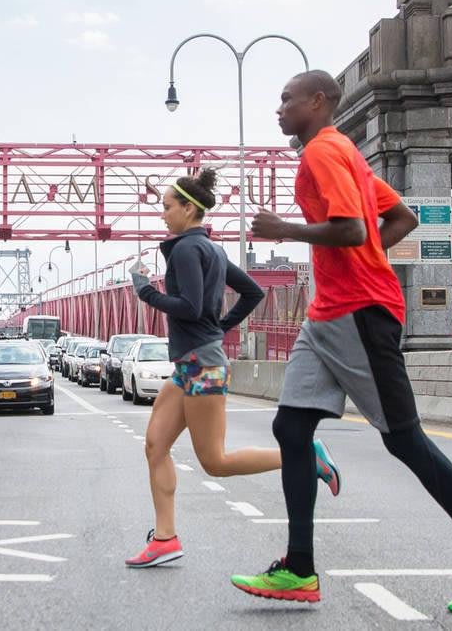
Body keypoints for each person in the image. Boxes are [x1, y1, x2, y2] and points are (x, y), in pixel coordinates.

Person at [230, 70, 452, 613]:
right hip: (327, 316)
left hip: (360, 313)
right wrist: (359, 258)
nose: (278, 109)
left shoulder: (323, 153)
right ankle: (298, 568)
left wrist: (287, 231)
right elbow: (401, 218)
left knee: (403, 440)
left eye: (285, 99)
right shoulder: (348, 155)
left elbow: (352, 229)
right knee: (291, 426)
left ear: (317, 102)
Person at [125, 167, 342, 569]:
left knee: (215, 462)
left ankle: (307, 456)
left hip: (202, 365)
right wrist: (218, 327)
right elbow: (253, 291)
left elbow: (189, 307)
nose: (162, 214)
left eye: (167, 207)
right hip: (192, 362)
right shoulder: (214, 250)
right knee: (155, 444)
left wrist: (146, 292)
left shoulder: (190, 250)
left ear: (189, 210)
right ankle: (164, 538)